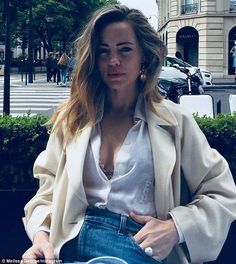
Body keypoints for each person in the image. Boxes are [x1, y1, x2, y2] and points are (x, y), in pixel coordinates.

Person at [22, 5, 236, 264]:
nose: (113, 61)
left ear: (144, 57)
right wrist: (41, 239)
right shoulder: (73, 120)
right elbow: (47, 192)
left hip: (142, 253)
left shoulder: (174, 122)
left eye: (125, 49)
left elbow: (222, 193)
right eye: (104, 51)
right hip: (70, 248)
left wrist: (176, 227)